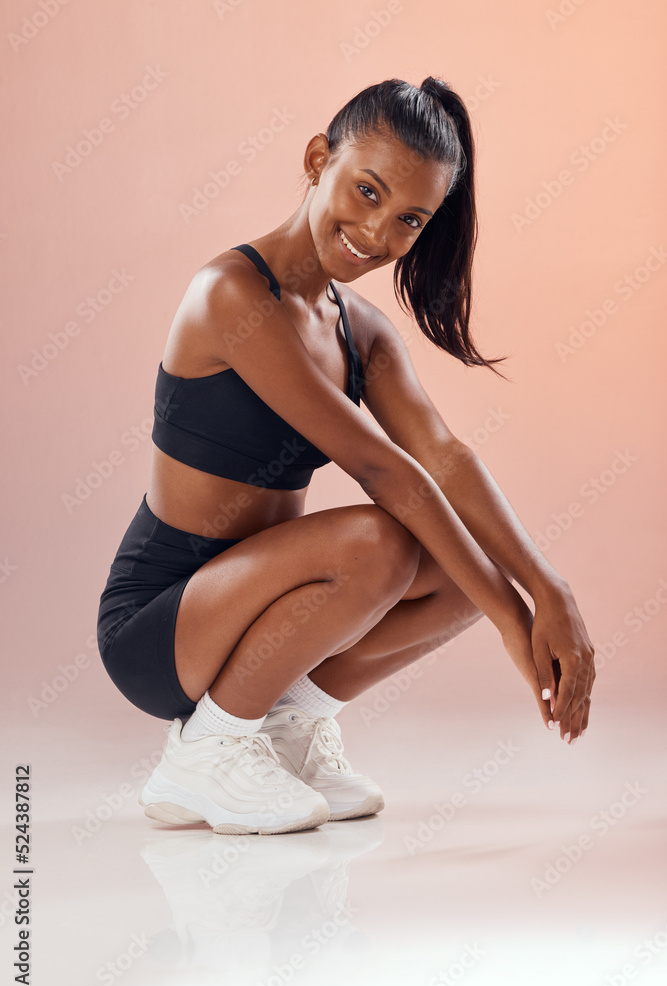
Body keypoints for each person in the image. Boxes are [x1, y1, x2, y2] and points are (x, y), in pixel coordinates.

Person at [96, 76, 596, 836]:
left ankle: (286, 728)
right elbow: (385, 470)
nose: (375, 230)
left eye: (408, 219)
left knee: (469, 574)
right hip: (160, 625)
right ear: (316, 159)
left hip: (255, 609)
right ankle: (206, 752)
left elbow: (444, 456)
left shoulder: (359, 328)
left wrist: (543, 589)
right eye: (365, 191)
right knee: (382, 540)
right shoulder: (231, 295)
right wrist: (512, 626)